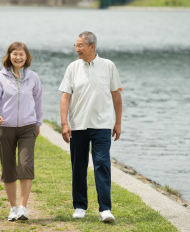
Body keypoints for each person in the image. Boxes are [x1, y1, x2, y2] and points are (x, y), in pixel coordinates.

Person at [59, 31, 122, 222]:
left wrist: (118, 122)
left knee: (102, 164)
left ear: (92, 47)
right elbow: (65, 97)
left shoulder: (108, 66)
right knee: (78, 166)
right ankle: (79, 206)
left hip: (102, 125)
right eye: (76, 45)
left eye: (80, 45)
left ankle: (105, 210)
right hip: (78, 125)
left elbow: (116, 96)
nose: (77, 49)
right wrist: (64, 124)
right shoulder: (72, 67)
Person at [0, 42, 43, 221]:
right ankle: (12, 208)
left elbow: (38, 101)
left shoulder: (33, 78)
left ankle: (23, 208)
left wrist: (38, 122)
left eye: (21, 54)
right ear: (9, 56)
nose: (18, 57)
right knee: (8, 167)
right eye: (14, 54)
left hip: (28, 127)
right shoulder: (0, 77)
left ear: (27, 57)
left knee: (26, 165)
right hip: (5, 127)